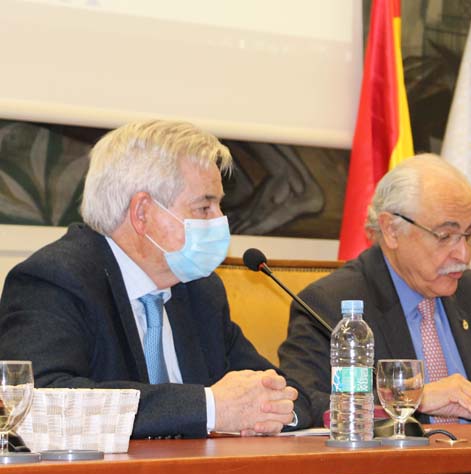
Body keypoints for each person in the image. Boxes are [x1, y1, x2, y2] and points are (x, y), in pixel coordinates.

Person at [0, 120, 306, 439]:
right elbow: (39, 404)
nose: (220, 221)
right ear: (143, 212)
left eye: (219, 205)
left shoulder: (200, 291)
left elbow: (285, 390)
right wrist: (210, 407)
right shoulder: (54, 280)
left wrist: (274, 409)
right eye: (204, 206)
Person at [280, 153, 471, 424]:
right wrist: (413, 397)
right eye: (445, 235)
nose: (463, 254)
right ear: (392, 230)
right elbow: (308, 404)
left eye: (469, 234)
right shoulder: (329, 306)